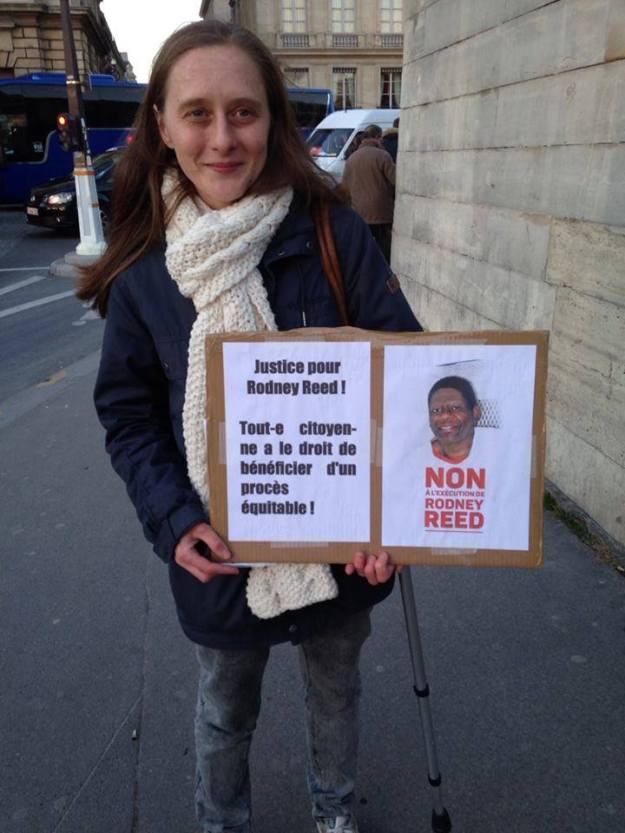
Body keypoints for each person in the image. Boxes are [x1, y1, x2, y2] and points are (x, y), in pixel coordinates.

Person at [76, 20, 421, 833]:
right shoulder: (142, 271)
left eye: (244, 111)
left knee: (336, 697)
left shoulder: (335, 236)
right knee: (226, 709)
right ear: (160, 124)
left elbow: (405, 375)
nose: (223, 137)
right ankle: (219, 821)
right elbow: (127, 417)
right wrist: (175, 519)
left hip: (343, 551)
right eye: (197, 113)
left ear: (273, 119)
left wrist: (391, 519)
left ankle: (334, 813)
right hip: (220, 555)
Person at [341, 124, 395, 262]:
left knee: (364, 248)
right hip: (382, 212)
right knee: (384, 250)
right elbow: (396, 180)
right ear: (378, 137)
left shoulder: (352, 158)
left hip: (359, 212)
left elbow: (344, 188)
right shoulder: (382, 155)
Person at [428, 376, 482, 464]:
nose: (444, 415)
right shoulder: (416, 456)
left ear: (476, 413)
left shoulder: (497, 454)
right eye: (436, 410)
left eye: (455, 408)